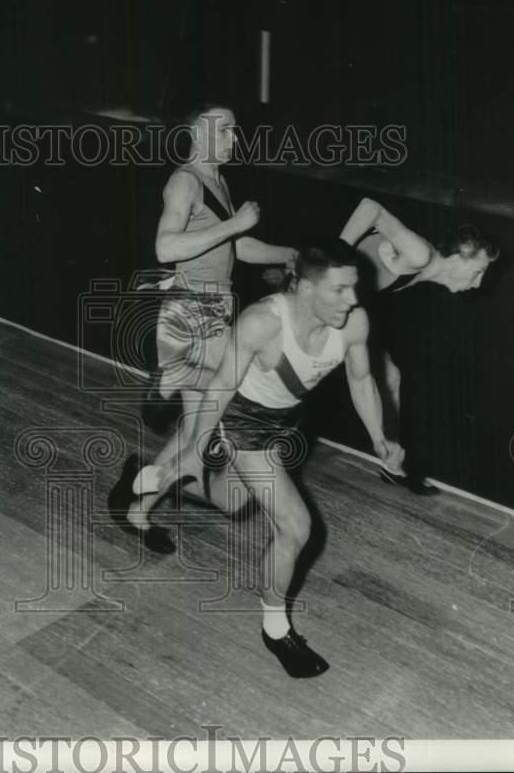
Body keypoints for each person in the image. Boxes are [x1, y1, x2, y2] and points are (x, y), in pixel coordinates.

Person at [145, 241, 404, 677]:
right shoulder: (263, 322)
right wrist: (196, 447)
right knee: (296, 525)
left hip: (286, 420)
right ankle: (275, 627)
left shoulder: (353, 321)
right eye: (339, 290)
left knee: (231, 502)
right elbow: (223, 387)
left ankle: (152, 478)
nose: (352, 299)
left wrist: (379, 437)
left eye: (353, 288)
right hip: (245, 421)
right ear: (303, 288)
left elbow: (361, 379)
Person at [110, 103, 297, 553]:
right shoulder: (185, 181)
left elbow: (239, 248)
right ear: (198, 133)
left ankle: (137, 500)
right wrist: (234, 223)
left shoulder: (218, 181)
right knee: (225, 415)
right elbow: (165, 245)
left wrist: (293, 254)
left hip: (213, 312)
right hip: (190, 314)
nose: (235, 138)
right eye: (226, 130)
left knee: (197, 434)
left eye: (235, 130)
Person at [339, 197, 499, 495]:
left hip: (345, 306)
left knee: (391, 377)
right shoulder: (420, 255)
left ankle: (391, 463)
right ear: (457, 260)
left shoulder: (422, 269)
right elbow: (370, 207)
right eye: (478, 272)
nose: (478, 284)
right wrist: (332, 257)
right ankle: (384, 447)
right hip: (321, 301)